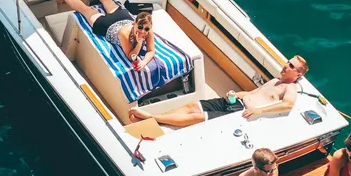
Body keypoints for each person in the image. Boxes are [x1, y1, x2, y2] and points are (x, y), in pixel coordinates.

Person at [128, 56, 308, 127]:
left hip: (241, 112)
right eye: (288, 62)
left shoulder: (290, 87)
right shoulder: (276, 80)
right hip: (234, 102)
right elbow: (254, 94)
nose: (286, 65)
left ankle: (152, 118)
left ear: (298, 74)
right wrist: (237, 94)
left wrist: (259, 111)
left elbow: (287, 104)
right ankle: (158, 119)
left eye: (291, 66)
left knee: (198, 117)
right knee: (193, 105)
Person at [57, 0, 155, 70]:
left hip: (123, 17)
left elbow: (151, 50)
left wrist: (144, 62)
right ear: (134, 23)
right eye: (140, 27)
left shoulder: (148, 31)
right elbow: (131, 56)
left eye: (146, 28)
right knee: (85, 9)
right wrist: (139, 44)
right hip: (108, 25)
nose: (143, 31)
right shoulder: (124, 33)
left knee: (108, 1)